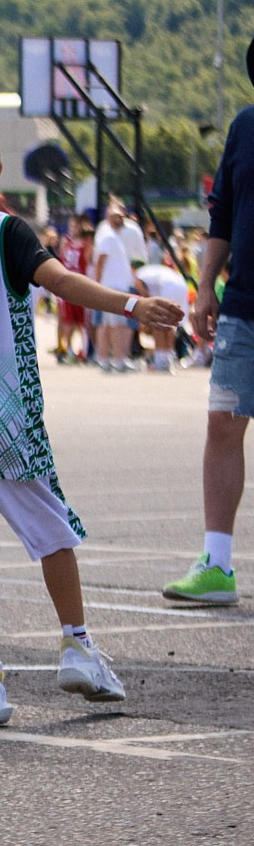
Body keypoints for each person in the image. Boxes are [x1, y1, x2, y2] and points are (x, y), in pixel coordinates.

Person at [0, 120, 180, 727]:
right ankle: (76, 642)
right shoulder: (7, 231)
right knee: (51, 530)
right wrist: (132, 305)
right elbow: (60, 282)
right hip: (5, 414)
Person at [168, 103, 254, 606]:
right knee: (222, 424)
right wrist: (204, 289)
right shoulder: (244, 125)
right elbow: (221, 213)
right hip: (243, 304)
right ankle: (217, 565)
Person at [91, 202, 142, 372]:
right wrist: (96, 285)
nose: (119, 219)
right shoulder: (108, 236)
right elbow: (100, 262)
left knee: (107, 325)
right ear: (108, 218)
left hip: (114, 286)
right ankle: (118, 360)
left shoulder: (112, 235)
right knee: (117, 325)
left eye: (121, 216)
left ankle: (106, 359)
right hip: (113, 287)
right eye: (115, 217)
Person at [55, 215, 93, 363]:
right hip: (68, 284)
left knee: (83, 321)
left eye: (76, 225)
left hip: (81, 284)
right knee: (68, 320)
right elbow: (61, 259)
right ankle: (67, 348)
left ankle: (84, 349)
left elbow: (89, 260)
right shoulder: (67, 242)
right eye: (72, 225)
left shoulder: (86, 243)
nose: (74, 228)